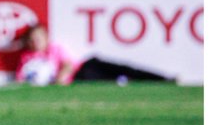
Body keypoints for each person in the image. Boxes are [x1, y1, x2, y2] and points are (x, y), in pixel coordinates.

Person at [15, 24, 170, 85]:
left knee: (125, 69)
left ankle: (162, 79)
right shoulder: (27, 58)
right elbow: (21, 79)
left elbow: (68, 64)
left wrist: (60, 77)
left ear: (46, 38)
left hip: (85, 69)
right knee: (116, 82)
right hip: (79, 81)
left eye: (39, 38)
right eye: (32, 39)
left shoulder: (54, 49)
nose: (35, 42)